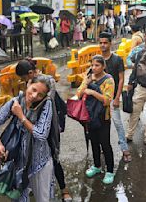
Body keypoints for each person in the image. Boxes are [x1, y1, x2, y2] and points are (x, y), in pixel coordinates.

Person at [0, 76, 54, 202]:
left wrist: (21, 116)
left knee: (42, 198)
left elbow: (41, 134)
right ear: (28, 84)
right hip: (18, 162)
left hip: (39, 162)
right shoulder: (15, 101)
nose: (34, 96)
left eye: (40, 94)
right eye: (33, 89)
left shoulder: (46, 104)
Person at [15, 59, 72, 201]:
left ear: (30, 73)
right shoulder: (29, 83)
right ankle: (36, 185)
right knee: (31, 155)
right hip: (32, 125)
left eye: (23, 78)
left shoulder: (47, 81)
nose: (23, 81)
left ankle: (64, 188)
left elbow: (45, 103)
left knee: (53, 155)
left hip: (49, 126)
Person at [76, 55, 115, 184]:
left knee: (105, 144)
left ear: (103, 66)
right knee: (94, 143)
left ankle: (110, 171)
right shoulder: (89, 77)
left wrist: (92, 92)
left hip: (103, 117)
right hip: (89, 116)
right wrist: (86, 83)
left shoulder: (108, 80)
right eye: (92, 65)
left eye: (97, 65)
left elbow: (107, 100)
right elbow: (78, 94)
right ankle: (97, 166)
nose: (94, 68)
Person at [99, 32, 132, 163]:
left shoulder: (117, 59)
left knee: (118, 124)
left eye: (105, 42)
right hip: (100, 99)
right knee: (102, 124)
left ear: (110, 43)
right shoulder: (97, 60)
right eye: (100, 43)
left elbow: (121, 78)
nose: (103, 45)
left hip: (113, 98)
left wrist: (117, 97)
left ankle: (125, 150)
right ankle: (104, 146)